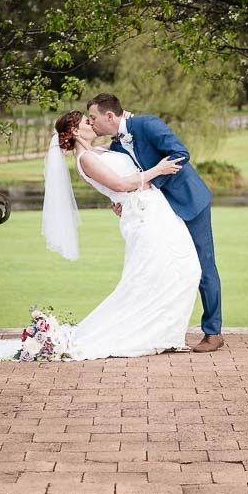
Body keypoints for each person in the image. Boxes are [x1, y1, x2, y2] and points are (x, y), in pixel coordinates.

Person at [0, 110, 201, 361]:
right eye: (88, 121)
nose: (93, 124)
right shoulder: (85, 160)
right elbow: (120, 185)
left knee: (179, 270)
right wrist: (159, 169)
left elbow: (125, 158)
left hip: (154, 211)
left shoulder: (99, 151)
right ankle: (153, 335)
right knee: (160, 273)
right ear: (75, 131)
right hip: (144, 217)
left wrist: (127, 121)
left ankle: (161, 333)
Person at [86, 93, 223, 353]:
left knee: (204, 265)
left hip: (188, 202)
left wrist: (151, 183)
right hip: (158, 212)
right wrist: (123, 201)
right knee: (165, 267)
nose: (92, 123)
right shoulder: (116, 145)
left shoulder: (147, 124)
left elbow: (180, 154)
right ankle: (161, 329)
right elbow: (126, 179)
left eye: (93, 118)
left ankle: (213, 332)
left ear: (109, 116)